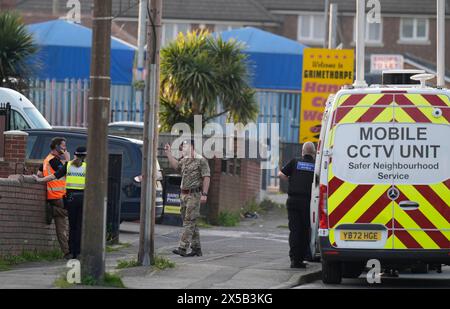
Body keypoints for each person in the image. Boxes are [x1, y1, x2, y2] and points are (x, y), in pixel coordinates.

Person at [164, 139, 210, 257]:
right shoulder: (184, 160)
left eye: (184, 147)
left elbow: (206, 177)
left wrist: (204, 194)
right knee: (190, 221)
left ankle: (182, 247)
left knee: (189, 221)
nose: (182, 150)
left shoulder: (201, 160)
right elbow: (175, 166)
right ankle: (196, 248)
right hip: (183, 194)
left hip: (194, 195)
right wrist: (168, 153)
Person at [278, 142, 316, 268]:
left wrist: (291, 180)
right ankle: (301, 259)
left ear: (302, 152)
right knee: (305, 231)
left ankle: (294, 259)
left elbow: (281, 174)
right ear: (314, 153)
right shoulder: (316, 166)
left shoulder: (295, 162)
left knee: (294, 230)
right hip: (308, 202)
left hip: (293, 201)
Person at [34, 137, 71, 259]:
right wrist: (67, 160)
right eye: (63, 146)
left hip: (54, 196)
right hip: (59, 196)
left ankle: (66, 252)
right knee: (73, 212)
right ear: (57, 147)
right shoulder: (54, 161)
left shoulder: (46, 160)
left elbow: (39, 174)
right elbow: (64, 172)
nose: (65, 148)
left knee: (61, 227)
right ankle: (52, 210)